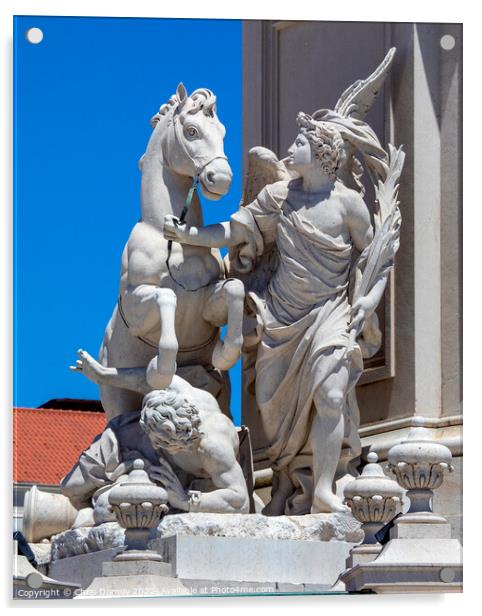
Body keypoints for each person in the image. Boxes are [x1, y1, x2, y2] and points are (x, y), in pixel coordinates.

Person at [163, 112, 390, 514]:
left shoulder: (348, 204)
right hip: (280, 317)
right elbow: (237, 230)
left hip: (330, 314)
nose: (290, 149)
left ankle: (322, 489)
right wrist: (189, 235)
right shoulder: (280, 196)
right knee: (273, 408)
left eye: (299, 143)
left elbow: (375, 257)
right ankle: (287, 480)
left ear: (320, 154)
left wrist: (370, 299)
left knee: (332, 395)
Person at [62, 350, 250, 521]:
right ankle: (85, 505)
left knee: (107, 506)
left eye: (162, 444)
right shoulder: (177, 391)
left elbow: (240, 501)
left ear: (179, 441)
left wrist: (186, 501)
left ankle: (90, 508)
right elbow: (146, 379)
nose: (156, 446)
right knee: (71, 487)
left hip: (169, 476)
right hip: (134, 433)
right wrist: (102, 375)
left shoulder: (213, 447)